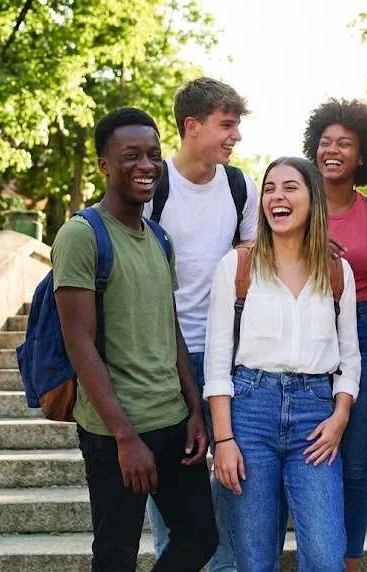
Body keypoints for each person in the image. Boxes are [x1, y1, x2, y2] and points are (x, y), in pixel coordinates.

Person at [54, 107, 217, 572]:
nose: (146, 165)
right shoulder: (82, 235)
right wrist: (126, 438)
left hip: (170, 421)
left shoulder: (160, 238)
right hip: (114, 431)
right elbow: (79, 343)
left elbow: (171, 330)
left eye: (153, 155)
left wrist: (194, 408)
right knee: (115, 554)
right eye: (131, 156)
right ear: (104, 164)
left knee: (199, 538)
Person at [204, 157, 361, 572]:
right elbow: (217, 361)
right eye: (270, 188)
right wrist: (223, 440)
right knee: (255, 561)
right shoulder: (236, 267)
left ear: (312, 199)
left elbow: (350, 357)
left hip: (315, 414)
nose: (277, 196)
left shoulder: (336, 271)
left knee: (327, 557)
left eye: (291, 187)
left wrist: (340, 415)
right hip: (250, 413)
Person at [141, 76, 257, 572]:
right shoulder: (154, 186)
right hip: (165, 359)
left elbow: (252, 254)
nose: (235, 137)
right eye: (226, 126)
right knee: (174, 484)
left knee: (233, 474)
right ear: (193, 126)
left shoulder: (240, 186)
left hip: (227, 357)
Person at [302, 98, 367, 572]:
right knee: (308, 451)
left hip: (363, 328)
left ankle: (349, 561)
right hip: (305, 334)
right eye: (325, 141)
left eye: (345, 144)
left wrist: (351, 284)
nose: (332, 150)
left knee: (353, 458)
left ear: (362, 156)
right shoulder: (293, 199)